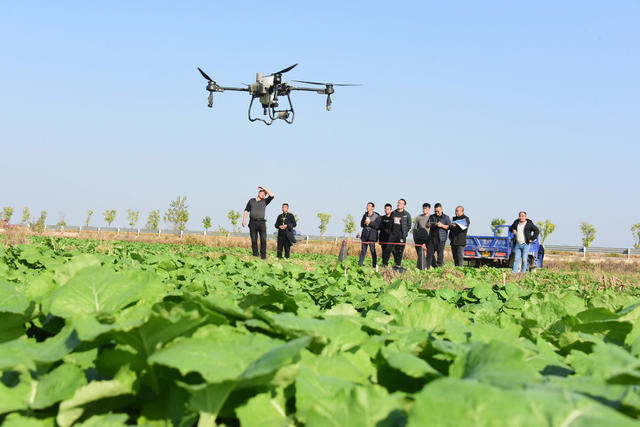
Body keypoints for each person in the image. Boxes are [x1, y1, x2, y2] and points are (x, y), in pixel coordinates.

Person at [242, 186, 274, 259]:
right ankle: (255, 255)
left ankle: (263, 256)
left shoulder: (265, 201)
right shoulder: (251, 201)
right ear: (259, 193)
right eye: (263, 193)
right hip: (252, 222)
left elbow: (272, 195)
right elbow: (246, 210)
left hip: (261, 223)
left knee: (263, 239)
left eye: (265, 194)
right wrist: (244, 220)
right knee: (254, 239)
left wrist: (264, 188)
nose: (264, 195)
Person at [426, 203, 451, 268]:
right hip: (431, 239)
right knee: (429, 255)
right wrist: (428, 225)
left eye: (438, 211)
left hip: (441, 239)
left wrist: (442, 225)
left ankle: (439, 269)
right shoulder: (432, 216)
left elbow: (449, 227)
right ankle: (427, 268)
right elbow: (427, 225)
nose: (437, 212)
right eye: (435, 211)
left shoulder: (446, 217)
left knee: (440, 255)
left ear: (441, 210)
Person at [390, 199, 412, 269]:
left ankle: (398, 264)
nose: (399, 204)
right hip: (393, 235)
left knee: (400, 250)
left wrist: (405, 232)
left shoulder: (406, 214)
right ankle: (396, 262)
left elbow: (409, 225)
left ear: (404, 205)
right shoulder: (393, 213)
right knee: (393, 249)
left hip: (401, 235)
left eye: (401, 203)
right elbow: (390, 223)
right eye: (398, 203)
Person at [358, 202, 381, 268]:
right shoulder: (365, 215)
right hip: (365, 234)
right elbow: (361, 225)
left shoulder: (377, 216)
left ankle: (374, 265)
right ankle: (360, 264)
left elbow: (377, 226)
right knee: (363, 250)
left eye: (369, 206)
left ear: (373, 208)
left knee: (372, 250)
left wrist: (370, 223)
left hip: (372, 235)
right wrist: (365, 223)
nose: (368, 207)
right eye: (367, 206)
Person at [413, 203, 431, 270]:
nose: (424, 210)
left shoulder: (432, 217)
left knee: (429, 255)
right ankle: (420, 268)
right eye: (423, 208)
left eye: (426, 208)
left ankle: (428, 267)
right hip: (419, 239)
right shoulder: (419, 218)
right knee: (420, 254)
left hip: (429, 239)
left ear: (429, 209)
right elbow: (415, 228)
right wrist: (415, 238)